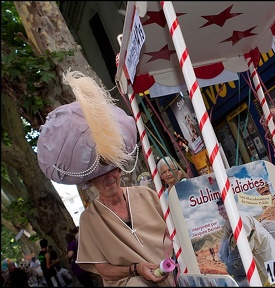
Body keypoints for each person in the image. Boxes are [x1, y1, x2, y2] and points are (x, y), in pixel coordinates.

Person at [36, 70, 175, 287]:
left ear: (120, 171)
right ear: (89, 182)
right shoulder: (89, 220)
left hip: (173, 271)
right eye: (99, 175)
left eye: (111, 170)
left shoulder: (147, 195)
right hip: (133, 281)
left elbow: (176, 230)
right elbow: (104, 271)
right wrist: (136, 269)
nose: (108, 178)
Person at [216, 198, 275, 286]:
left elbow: (246, 241)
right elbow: (224, 237)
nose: (220, 212)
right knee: (262, 279)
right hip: (255, 252)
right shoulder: (229, 221)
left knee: (273, 276)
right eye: (219, 210)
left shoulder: (241, 218)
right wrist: (220, 252)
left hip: (264, 248)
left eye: (222, 209)